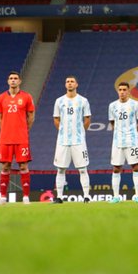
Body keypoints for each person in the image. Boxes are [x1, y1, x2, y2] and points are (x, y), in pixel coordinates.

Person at [0, 71, 35, 205]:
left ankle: (25, 198)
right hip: (5, 139)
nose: (13, 80)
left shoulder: (27, 97)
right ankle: (2, 198)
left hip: (21, 138)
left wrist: (24, 129)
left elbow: (31, 116)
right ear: (8, 81)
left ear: (20, 81)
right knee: (5, 166)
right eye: (11, 78)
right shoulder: (1, 98)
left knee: (23, 166)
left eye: (15, 78)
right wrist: (6, 129)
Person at [52, 76, 92, 204]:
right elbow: (56, 119)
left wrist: (80, 131)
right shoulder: (59, 101)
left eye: (72, 81)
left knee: (82, 169)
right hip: (63, 141)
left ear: (76, 84)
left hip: (79, 141)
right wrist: (63, 131)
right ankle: (59, 197)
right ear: (65, 85)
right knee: (60, 169)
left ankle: (86, 196)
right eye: (67, 81)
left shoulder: (83, 101)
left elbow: (87, 119)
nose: (69, 83)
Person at [108, 81, 138, 203]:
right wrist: (119, 133)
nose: (122, 92)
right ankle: (116, 196)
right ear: (118, 91)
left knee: (135, 166)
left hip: (132, 141)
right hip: (118, 141)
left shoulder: (135, 105)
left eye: (124, 90)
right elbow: (112, 122)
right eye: (120, 90)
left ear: (128, 91)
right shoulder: (112, 106)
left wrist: (134, 134)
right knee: (116, 168)